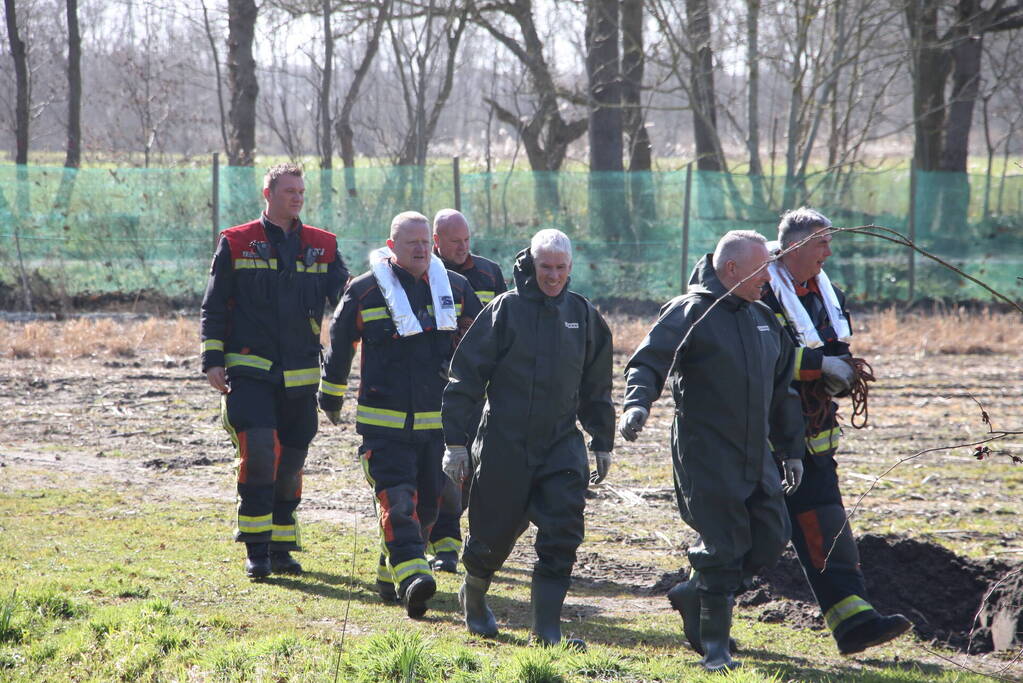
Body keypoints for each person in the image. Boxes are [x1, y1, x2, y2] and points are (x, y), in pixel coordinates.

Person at [618, 230, 805, 671]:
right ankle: (715, 649)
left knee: (773, 534)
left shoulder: (764, 319)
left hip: (756, 455)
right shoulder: (690, 312)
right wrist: (637, 403)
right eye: (762, 268)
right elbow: (649, 360)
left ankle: (695, 592)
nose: (769, 277)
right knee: (722, 546)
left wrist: (792, 450)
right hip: (706, 455)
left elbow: (784, 392)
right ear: (731, 269)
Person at [441, 229, 615, 650]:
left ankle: (546, 630)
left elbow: (596, 386)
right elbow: (465, 377)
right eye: (544, 268)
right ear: (530, 264)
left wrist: (602, 440)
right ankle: (475, 595)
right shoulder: (505, 310)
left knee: (563, 530)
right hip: (504, 441)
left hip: (561, 443)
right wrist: (456, 443)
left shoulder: (583, 315)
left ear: (570, 268)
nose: (552, 276)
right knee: (490, 536)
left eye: (560, 268)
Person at [318, 211, 482, 619]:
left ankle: (388, 576)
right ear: (392, 247)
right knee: (397, 500)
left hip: (437, 428)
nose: (422, 249)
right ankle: (413, 578)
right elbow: (340, 344)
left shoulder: (457, 289)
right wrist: (331, 397)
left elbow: (482, 345)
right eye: (412, 244)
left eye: (426, 242)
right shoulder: (365, 292)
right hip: (384, 427)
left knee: (428, 506)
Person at [762, 208, 911, 655]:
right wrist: (816, 367)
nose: (829, 251)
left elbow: (835, 348)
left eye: (829, 241)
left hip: (813, 439)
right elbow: (759, 357)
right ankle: (700, 599)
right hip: (762, 439)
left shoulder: (829, 293)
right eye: (821, 242)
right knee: (745, 531)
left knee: (826, 525)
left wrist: (840, 374)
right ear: (794, 247)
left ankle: (854, 623)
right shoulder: (757, 291)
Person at [200, 163, 349, 579]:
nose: (297, 197)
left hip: (301, 375)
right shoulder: (236, 242)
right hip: (250, 370)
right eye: (289, 190)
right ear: (268, 193)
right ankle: (256, 550)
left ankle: (282, 546)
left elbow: (349, 297)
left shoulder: (324, 245)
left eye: (301, 191)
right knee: (261, 454)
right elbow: (214, 305)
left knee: (290, 464)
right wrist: (212, 359)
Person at [427, 208, 507, 573]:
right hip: (439, 387)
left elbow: (506, 324)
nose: (463, 248)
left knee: (478, 468)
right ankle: (445, 540)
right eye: (454, 241)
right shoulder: (424, 273)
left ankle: (462, 534)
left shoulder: (489, 273)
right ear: (436, 242)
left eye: (467, 240)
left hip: (482, 387)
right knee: (447, 467)